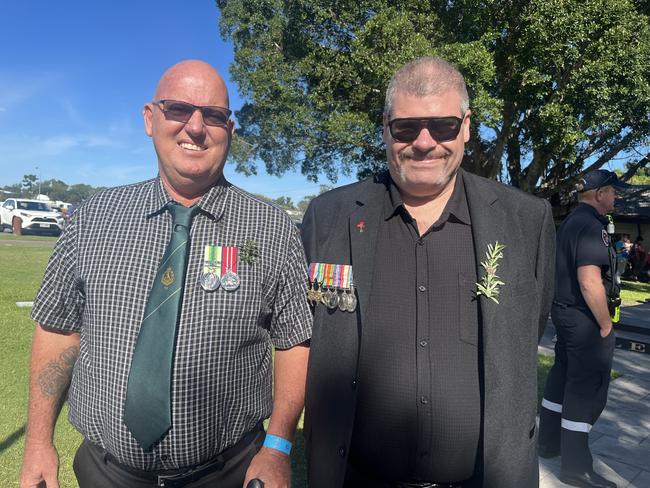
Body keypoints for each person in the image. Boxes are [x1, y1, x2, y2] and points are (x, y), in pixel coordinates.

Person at [20, 60, 312, 488]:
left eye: (213, 115)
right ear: (149, 118)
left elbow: (294, 342)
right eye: (178, 109)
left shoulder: (272, 228)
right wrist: (38, 442)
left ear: (229, 128)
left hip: (227, 473)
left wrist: (279, 446)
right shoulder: (93, 219)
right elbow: (58, 330)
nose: (196, 127)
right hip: (106, 474)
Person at [301, 57, 555, 488]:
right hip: (357, 478)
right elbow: (303, 335)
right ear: (385, 128)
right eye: (406, 127)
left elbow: (529, 325)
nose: (424, 142)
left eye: (443, 126)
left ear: (467, 126)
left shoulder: (525, 220)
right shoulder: (329, 216)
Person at [538, 169, 630, 488]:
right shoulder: (591, 225)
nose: (616, 197)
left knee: (562, 376)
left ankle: (548, 444)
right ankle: (576, 468)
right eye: (613, 192)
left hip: (565, 315)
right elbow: (590, 281)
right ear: (600, 193)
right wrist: (605, 325)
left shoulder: (573, 222)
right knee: (585, 389)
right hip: (584, 321)